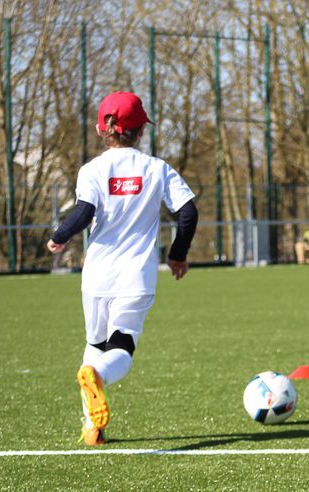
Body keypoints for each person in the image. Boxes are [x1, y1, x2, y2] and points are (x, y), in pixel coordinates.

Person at [47, 91, 198, 446]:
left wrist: (59, 236)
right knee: (121, 349)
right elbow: (188, 212)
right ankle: (97, 374)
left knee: (95, 343)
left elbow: (84, 211)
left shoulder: (92, 170)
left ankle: (92, 427)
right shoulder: (156, 168)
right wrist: (177, 254)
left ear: (102, 129)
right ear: (140, 130)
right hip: (135, 278)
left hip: (97, 277)